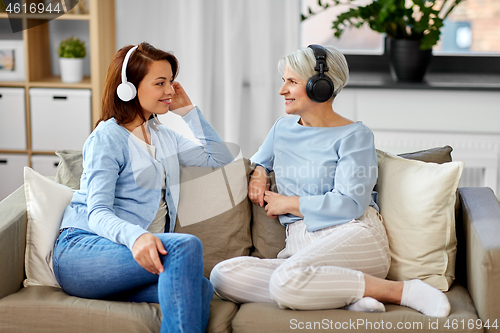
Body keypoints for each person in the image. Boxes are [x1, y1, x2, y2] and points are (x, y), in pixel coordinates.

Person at [210, 45, 451, 317]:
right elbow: (259, 160)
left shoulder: (355, 136)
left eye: (292, 82)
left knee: (286, 282)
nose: (282, 91)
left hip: (353, 235)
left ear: (320, 86)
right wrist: (260, 171)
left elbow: (350, 203)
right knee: (223, 276)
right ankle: (346, 295)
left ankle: (402, 291)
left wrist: (288, 203)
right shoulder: (282, 129)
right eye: (283, 81)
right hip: (300, 246)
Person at [52, 42, 235, 333]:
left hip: (125, 263)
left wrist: (188, 111)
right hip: (83, 251)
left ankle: (110, 290)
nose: (170, 91)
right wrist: (138, 238)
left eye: (171, 82)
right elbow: (97, 212)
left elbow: (220, 157)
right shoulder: (108, 138)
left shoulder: (165, 137)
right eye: (160, 83)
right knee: (184, 247)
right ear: (128, 87)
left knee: (201, 287)